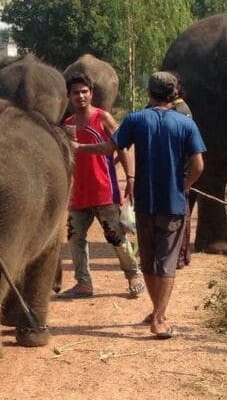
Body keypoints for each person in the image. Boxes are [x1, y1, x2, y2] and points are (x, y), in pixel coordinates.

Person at [73, 71, 205, 338]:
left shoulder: (135, 119)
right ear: (174, 94)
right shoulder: (185, 123)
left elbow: (108, 149)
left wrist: (78, 147)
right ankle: (159, 318)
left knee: (148, 258)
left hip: (144, 201)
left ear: (150, 93)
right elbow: (199, 165)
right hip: (173, 204)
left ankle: (158, 312)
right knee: (166, 261)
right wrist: (186, 185)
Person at [59, 74, 146, 300]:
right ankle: (83, 283)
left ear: (92, 94)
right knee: (74, 237)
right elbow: (70, 154)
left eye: (84, 91)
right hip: (78, 193)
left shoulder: (103, 117)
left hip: (104, 188)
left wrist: (130, 178)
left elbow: (122, 147)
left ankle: (133, 275)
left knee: (116, 236)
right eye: (76, 92)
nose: (80, 96)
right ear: (68, 96)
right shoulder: (68, 124)